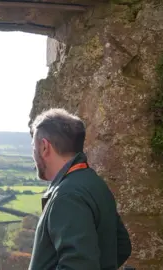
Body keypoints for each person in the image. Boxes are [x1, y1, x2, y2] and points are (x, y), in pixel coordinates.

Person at [28, 108, 132, 270]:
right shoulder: (92, 182)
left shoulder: (67, 196)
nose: (33, 154)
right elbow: (122, 246)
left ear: (44, 147)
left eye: (33, 147)